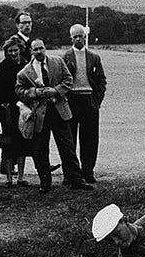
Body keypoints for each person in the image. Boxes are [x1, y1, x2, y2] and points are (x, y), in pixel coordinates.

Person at [16, 38, 93, 193]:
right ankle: (45, 183)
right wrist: (35, 92)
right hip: (39, 115)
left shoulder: (57, 62)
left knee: (67, 147)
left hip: (59, 111)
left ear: (45, 48)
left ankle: (77, 180)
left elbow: (68, 80)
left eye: (41, 48)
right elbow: (19, 90)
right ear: (31, 51)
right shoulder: (25, 72)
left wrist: (56, 90)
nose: (39, 52)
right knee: (40, 150)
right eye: (35, 49)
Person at [63, 23, 108, 183]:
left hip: (89, 100)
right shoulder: (65, 57)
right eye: (75, 36)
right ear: (71, 38)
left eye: (80, 36)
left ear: (85, 37)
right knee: (70, 139)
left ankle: (88, 171)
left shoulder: (94, 57)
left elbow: (102, 80)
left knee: (89, 138)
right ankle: (71, 174)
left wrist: (97, 100)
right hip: (72, 100)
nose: (78, 39)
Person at [0, 36, 30, 188]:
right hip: (8, 109)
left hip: (23, 107)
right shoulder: (2, 66)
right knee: (9, 142)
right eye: (10, 51)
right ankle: (9, 178)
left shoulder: (26, 64)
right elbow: (0, 89)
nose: (13, 53)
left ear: (20, 50)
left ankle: (21, 177)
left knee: (22, 142)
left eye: (15, 50)